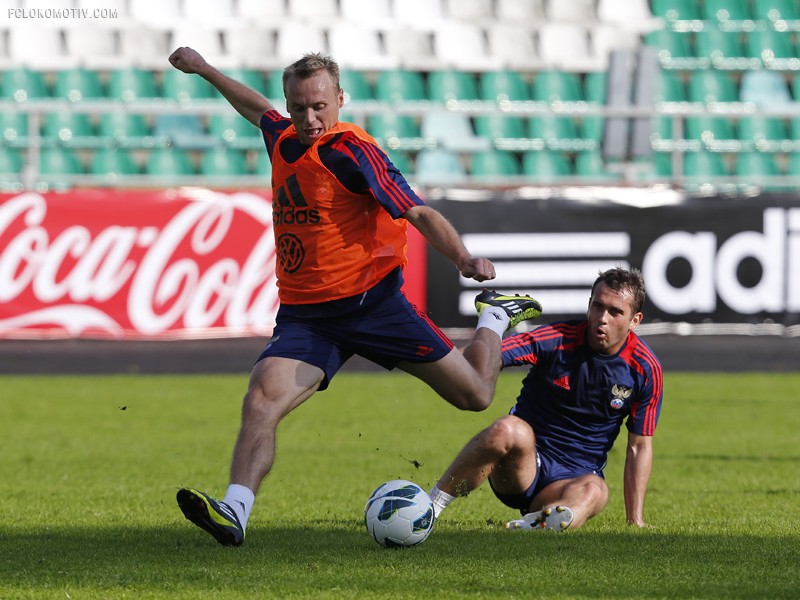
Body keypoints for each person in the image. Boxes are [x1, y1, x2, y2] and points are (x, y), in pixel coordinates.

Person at [166, 47, 543, 546]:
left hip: (373, 307)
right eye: (299, 107)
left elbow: (417, 211)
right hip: (307, 318)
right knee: (261, 400)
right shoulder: (282, 137)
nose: (310, 118)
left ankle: (494, 318)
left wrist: (463, 259)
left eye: (320, 105)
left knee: (475, 396)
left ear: (339, 98)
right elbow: (257, 110)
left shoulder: (352, 151)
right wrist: (207, 71)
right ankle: (234, 512)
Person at [429, 267, 663, 531]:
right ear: (588, 306)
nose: (602, 318)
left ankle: (534, 526)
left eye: (615, 312)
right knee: (508, 428)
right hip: (521, 469)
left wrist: (636, 521)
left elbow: (639, 446)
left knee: (597, 490)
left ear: (635, 320)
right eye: (597, 306)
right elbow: (487, 357)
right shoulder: (558, 338)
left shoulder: (644, 368)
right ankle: (429, 507)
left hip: (568, 484)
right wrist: (452, 362)